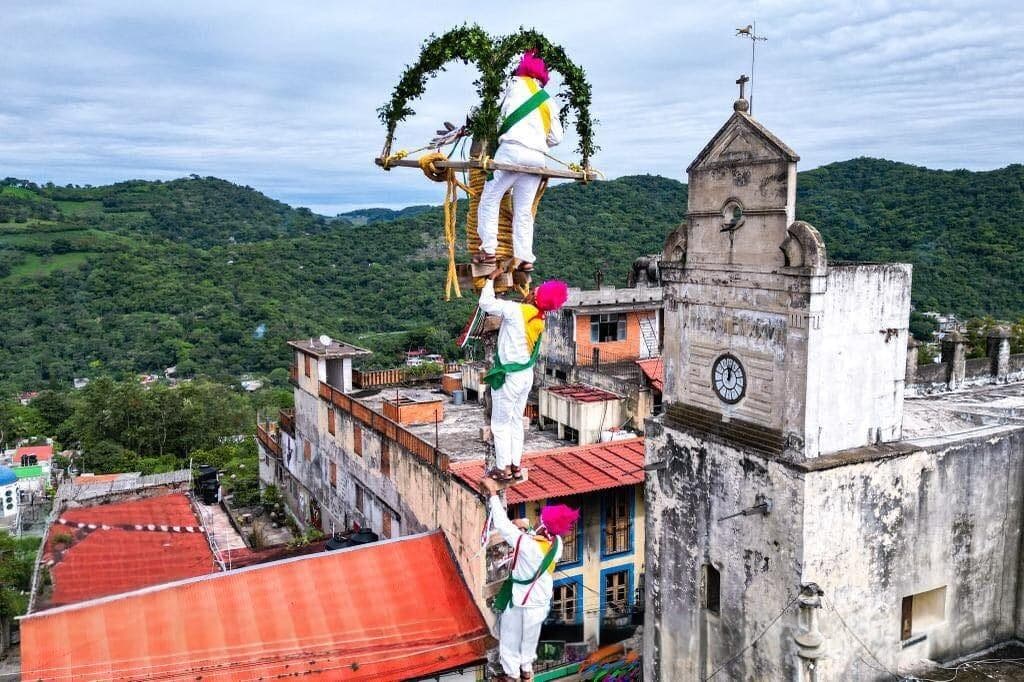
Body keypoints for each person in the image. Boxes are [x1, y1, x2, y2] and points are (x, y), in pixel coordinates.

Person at [482, 475, 579, 682]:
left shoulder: (528, 546)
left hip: (522, 601)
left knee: (510, 638)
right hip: (540, 601)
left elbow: (503, 525)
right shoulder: (556, 544)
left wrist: (492, 493)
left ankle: (512, 675)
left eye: (539, 519)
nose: (536, 520)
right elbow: (536, 536)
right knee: (529, 639)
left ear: (543, 526)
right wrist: (527, 527)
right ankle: (526, 671)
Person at [474, 50, 564, 273]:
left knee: (490, 198)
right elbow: (556, 138)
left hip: (510, 152)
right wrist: (536, 139)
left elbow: (491, 114)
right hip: (537, 158)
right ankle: (525, 257)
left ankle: (488, 250)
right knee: (523, 210)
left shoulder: (511, 85)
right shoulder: (548, 100)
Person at [479, 269, 568, 482]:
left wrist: (490, 279)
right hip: (525, 375)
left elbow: (486, 303)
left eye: (536, 290)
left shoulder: (516, 310)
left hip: (510, 377)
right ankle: (515, 465)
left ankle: (502, 468)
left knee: (500, 424)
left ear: (536, 296)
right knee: (516, 421)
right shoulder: (539, 319)